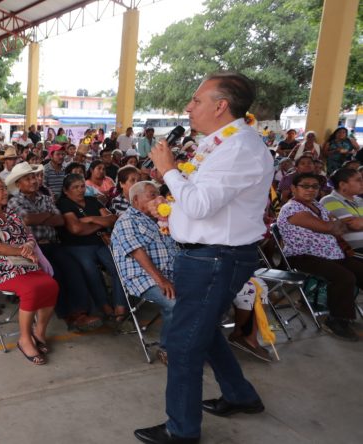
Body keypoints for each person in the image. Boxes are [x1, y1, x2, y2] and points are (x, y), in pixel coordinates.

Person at [136, 72, 271, 444]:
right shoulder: (221, 144)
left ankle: (181, 430)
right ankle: (240, 395)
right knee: (204, 331)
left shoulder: (239, 148)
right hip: (206, 255)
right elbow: (194, 198)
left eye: (196, 101)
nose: (188, 107)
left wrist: (168, 169)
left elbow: (197, 204)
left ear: (220, 106)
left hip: (214, 259)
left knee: (182, 343)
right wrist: (167, 204)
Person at [0, 175, 58, 365]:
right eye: (0, 189)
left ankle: (39, 333)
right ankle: (25, 339)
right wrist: (23, 251)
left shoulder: (10, 213)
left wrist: (28, 245)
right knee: (32, 289)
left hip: (24, 262)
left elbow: (28, 235)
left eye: (5, 188)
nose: (6, 192)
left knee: (51, 285)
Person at [5, 163, 101, 331]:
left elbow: (60, 220)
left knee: (73, 268)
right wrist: (46, 217)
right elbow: (27, 219)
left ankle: (81, 311)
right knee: (54, 274)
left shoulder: (44, 198)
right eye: (28, 179)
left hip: (52, 244)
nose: (34, 181)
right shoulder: (14, 202)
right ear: (18, 184)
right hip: (33, 249)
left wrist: (40, 218)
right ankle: (70, 316)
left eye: (34, 177)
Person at [277, 172, 361, 341]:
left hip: (330, 253)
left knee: (360, 270)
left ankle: (344, 315)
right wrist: (335, 224)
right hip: (302, 255)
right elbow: (330, 227)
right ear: (293, 188)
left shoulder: (316, 205)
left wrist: (335, 224)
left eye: (315, 186)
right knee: (344, 277)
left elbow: (337, 227)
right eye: (305, 186)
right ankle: (337, 321)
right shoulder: (292, 208)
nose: (311, 190)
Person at [111, 181, 178, 364]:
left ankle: (191, 343)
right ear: (136, 200)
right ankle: (168, 349)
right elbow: (137, 253)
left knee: (208, 296)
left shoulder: (160, 219)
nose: (158, 199)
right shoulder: (126, 221)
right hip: (144, 278)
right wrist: (162, 280)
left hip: (172, 273)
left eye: (158, 194)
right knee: (174, 304)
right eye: (151, 195)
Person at [56, 174, 126, 321]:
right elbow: (76, 229)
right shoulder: (64, 203)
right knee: (91, 270)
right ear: (66, 190)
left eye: (82, 186)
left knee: (118, 267)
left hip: (100, 242)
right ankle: (105, 307)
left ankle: (120, 307)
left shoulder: (92, 200)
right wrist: (100, 224)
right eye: (75, 187)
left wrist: (90, 219)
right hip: (77, 245)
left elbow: (113, 219)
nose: (80, 190)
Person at [320, 168, 363, 251]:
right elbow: (355, 225)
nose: (362, 183)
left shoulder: (360, 200)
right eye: (358, 180)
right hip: (353, 250)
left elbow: (360, 223)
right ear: (343, 184)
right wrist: (358, 222)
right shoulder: (329, 200)